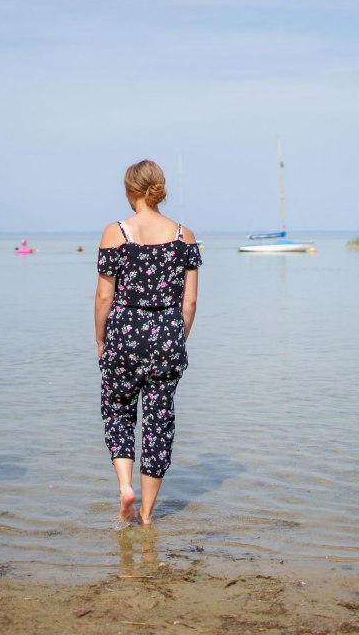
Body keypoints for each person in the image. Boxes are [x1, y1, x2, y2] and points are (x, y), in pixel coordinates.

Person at [95, 160, 201, 526]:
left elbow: (104, 298)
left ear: (130, 191)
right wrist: (176, 339)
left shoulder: (116, 232)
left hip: (123, 334)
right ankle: (147, 515)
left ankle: (125, 486)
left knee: (119, 413)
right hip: (167, 337)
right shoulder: (183, 235)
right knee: (159, 423)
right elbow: (189, 303)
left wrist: (101, 340)